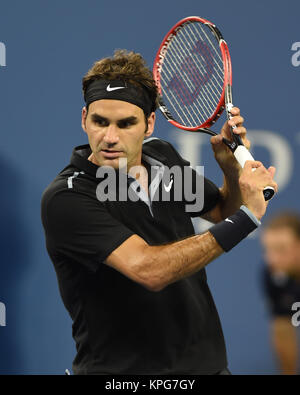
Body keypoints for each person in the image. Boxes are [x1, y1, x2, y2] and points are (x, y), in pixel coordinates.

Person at [41, 49, 277, 375]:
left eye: (126, 124)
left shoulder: (163, 157)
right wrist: (248, 217)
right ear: (84, 119)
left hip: (206, 368)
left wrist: (231, 174)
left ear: (149, 123)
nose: (109, 137)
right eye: (99, 122)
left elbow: (223, 209)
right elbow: (149, 271)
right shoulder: (67, 198)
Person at [260, 212, 300, 375]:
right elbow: (282, 328)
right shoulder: (272, 275)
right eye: (268, 249)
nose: (271, 259)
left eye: (280, 249)